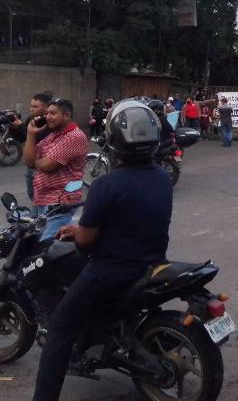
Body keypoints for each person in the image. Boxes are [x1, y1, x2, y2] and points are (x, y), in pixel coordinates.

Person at [32, 100, 173, 401]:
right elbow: (133, 220)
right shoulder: (162, 177)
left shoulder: (106, 185)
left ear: (113, 139)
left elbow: (85, 241)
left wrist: (78, 232)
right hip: (153, 263)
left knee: (60, 328)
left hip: (111, 272)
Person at [22, 99, 88, 241]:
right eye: (47, 113)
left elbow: (46, 166)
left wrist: (37, 161)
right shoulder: (53, 136)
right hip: (42, 199)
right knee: (35, 244)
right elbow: (28, 161)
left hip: (59, 203)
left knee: (47, 247)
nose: (47, 117)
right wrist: (31, 134)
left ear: (66, 115)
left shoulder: (74, 137)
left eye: (53, 113)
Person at [9, 92, 54, 200]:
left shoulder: (52, 122)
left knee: (42, 200)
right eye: (31, 106)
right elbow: (23, 138)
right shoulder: (31, 119)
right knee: (32, 196)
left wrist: (21, 127)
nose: (31, 109)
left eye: (35, 106)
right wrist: (14, 128)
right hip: (30, 168)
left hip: (44, 168)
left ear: (46, 108)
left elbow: (40, 140)